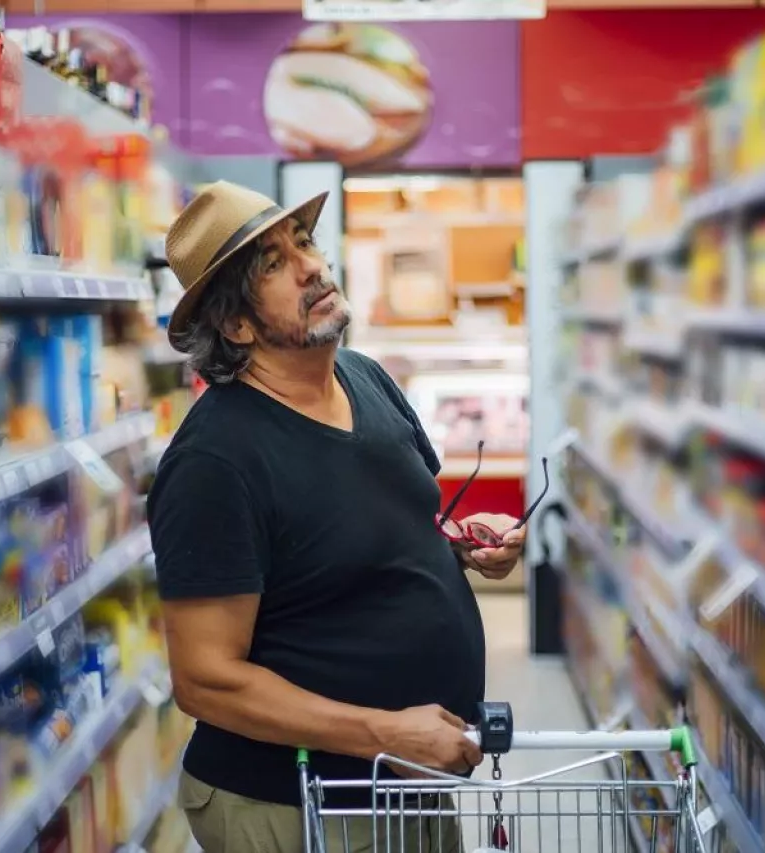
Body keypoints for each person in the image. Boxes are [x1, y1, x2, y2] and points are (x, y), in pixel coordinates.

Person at [148, 181, 528, 853]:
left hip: (403, 780)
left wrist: (464, 546)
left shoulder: (366, 378)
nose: (312, 265)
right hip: (297, 804)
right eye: (272, 262)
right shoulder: (217, 460)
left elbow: (376, 529)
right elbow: (205, 679)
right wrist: (387, 730)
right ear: (235, 325)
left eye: (304, 241)